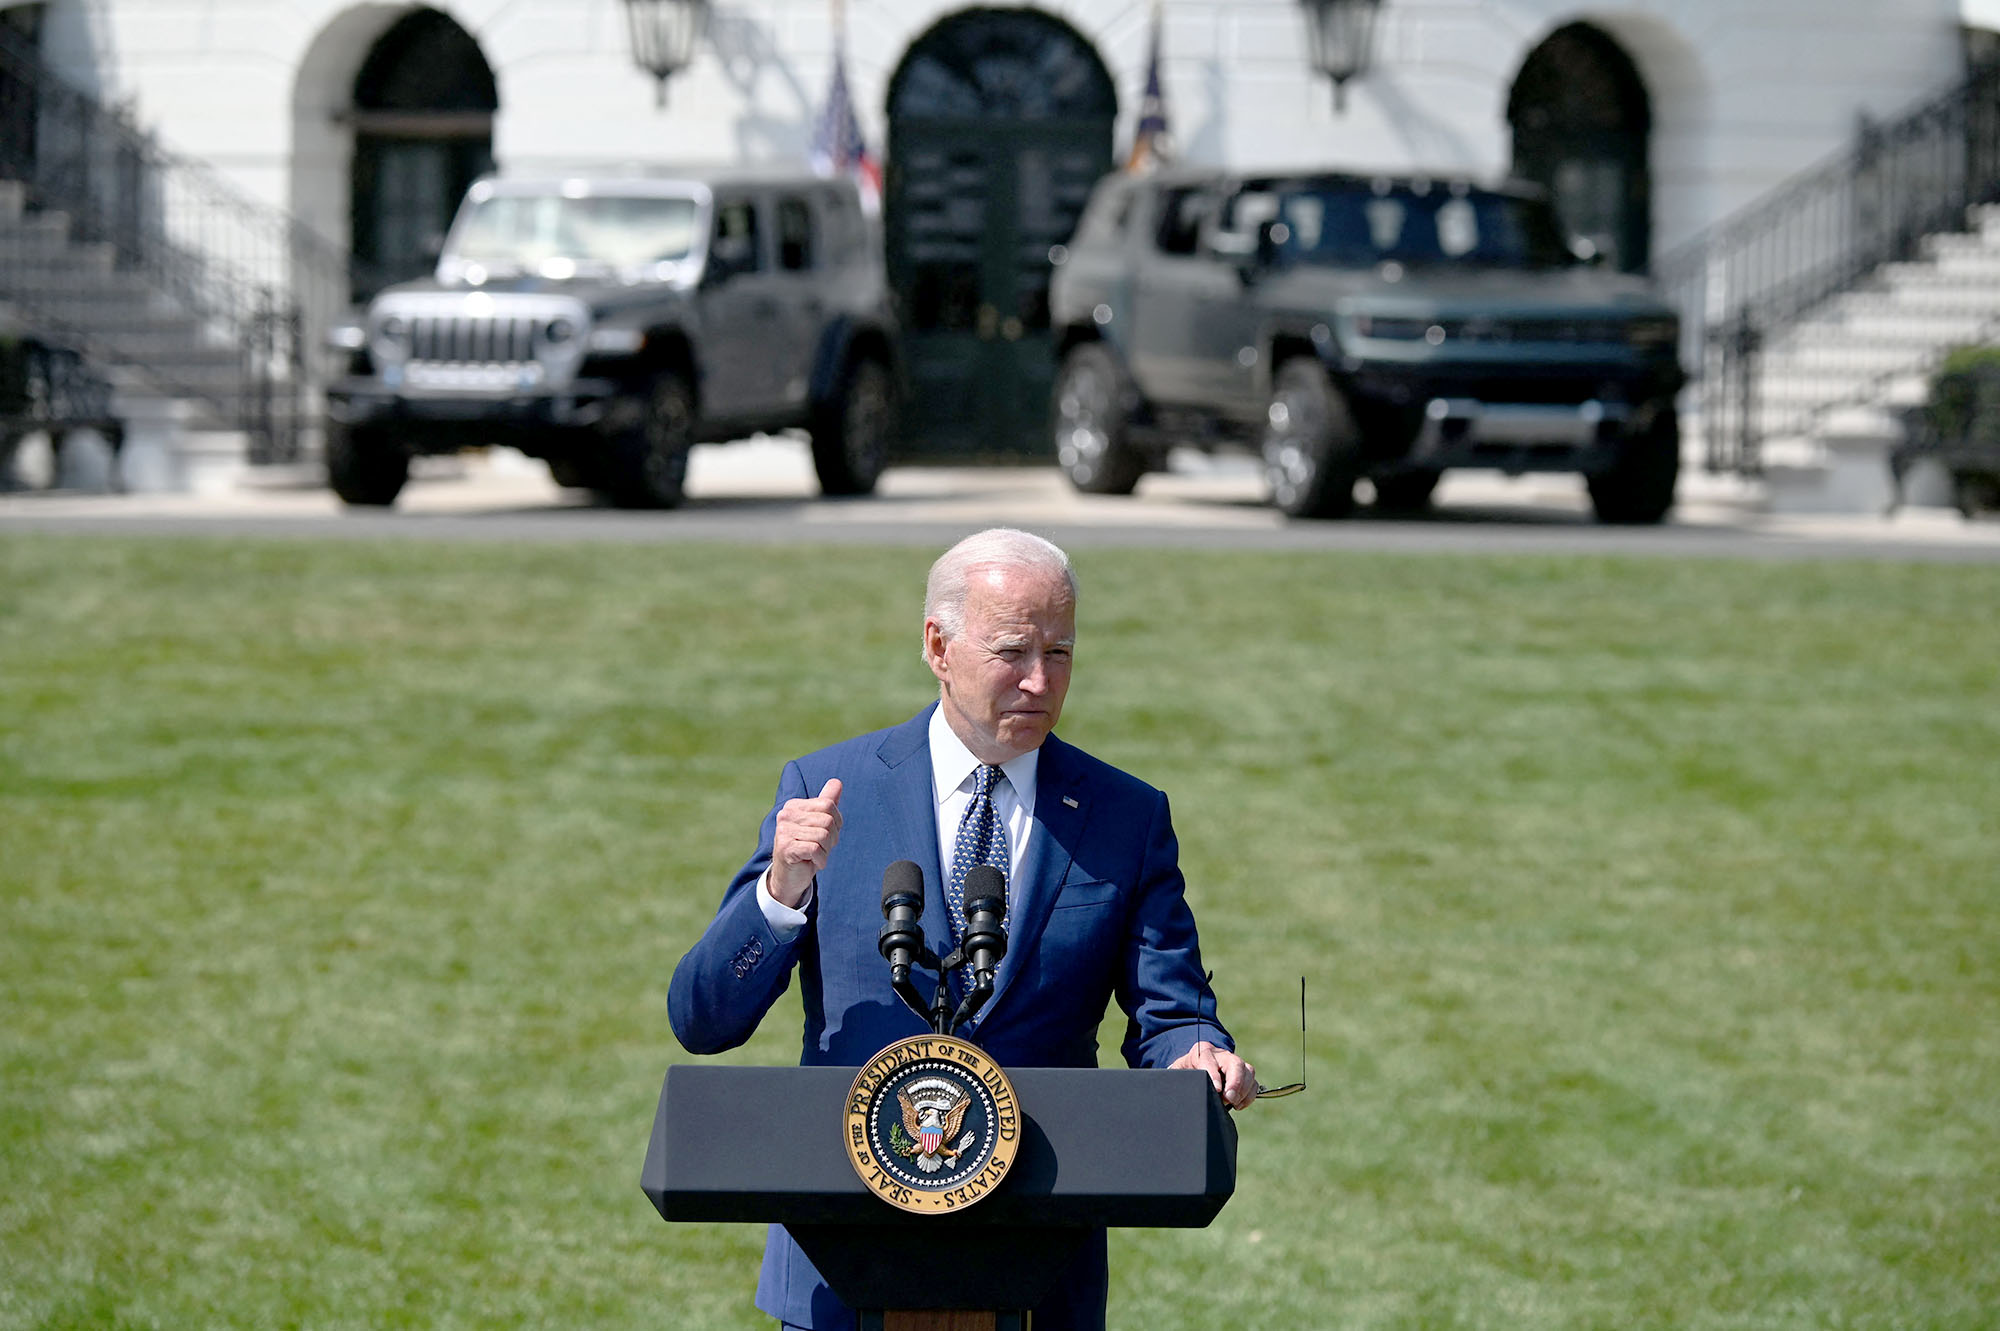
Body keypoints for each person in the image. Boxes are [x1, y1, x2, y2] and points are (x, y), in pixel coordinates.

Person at [668, 527, 1254, 1331]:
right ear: (938, 645)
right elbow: (702, 1019)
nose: (1040, 679)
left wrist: (1196, 1048)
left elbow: (1171, 1004)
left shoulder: (1125, 815)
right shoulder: (828, 791)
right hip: (845, 1260)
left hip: (1037, 1262)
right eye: (1013, 649)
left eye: (1061, 651)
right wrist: (780, 890)